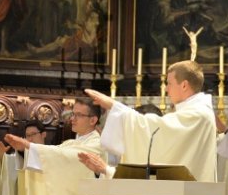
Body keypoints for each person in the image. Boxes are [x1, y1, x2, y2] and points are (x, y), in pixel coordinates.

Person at [84, 59, 218, 185]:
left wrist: (114, 105)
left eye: (169, 83)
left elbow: (155, 129)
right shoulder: (195, 112)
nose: (166, 89)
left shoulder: (199, 114)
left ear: (184, 85)